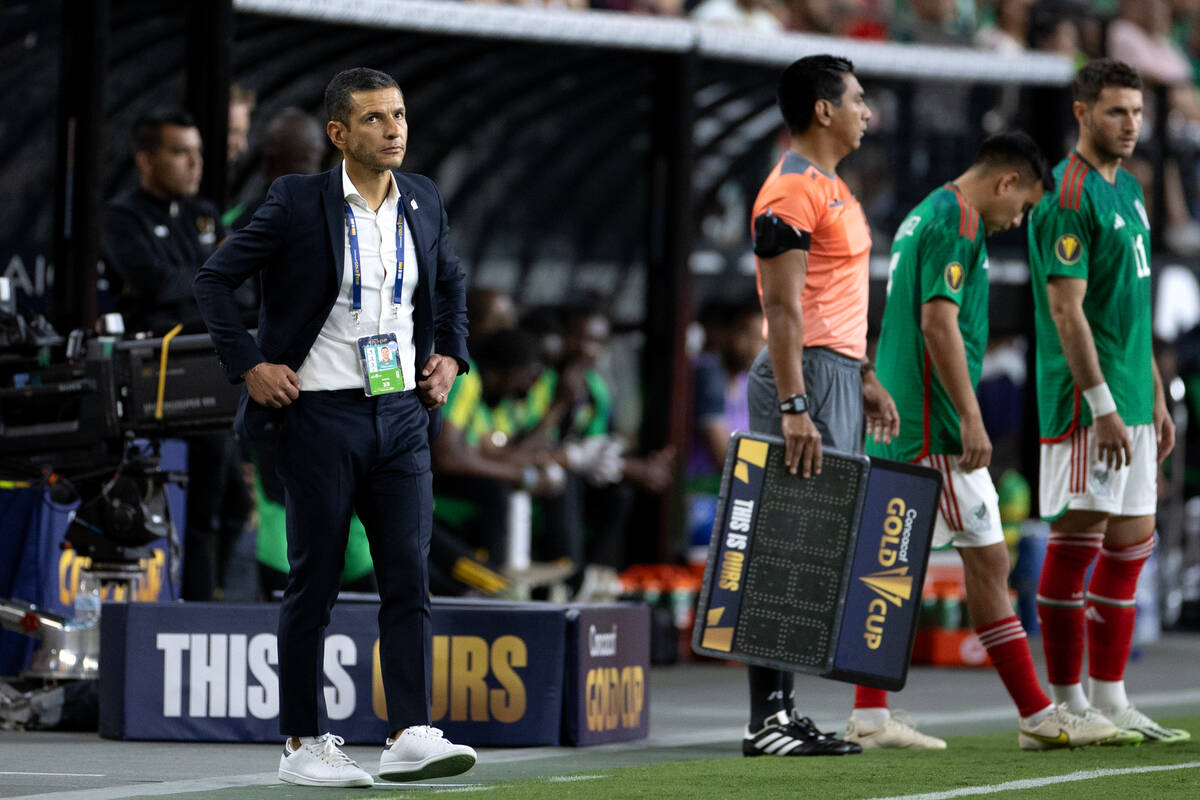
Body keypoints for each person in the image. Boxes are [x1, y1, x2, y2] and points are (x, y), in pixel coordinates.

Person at [193, 67, 476, 787]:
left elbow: (448, 282)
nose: (395, 129)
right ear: (339, 134)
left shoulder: (423, 199)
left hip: (401, 416)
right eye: (377, 119)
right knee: (313, 581)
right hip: (318, 416)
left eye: (401, 115)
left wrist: (451, 355)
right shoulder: (295, 201)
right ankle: (301, 743)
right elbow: (214, 281)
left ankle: (409, 730)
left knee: (408, 576)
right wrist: (249, 364)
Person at [865, 132, 1126, 751]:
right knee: (985, 561)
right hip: (938, 429)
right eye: (1027, 205)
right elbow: (937, 322)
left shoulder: (924, 211)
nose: (1022, 219)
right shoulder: (957, 221)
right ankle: (1038, 714)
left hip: (909, 416)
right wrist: (971, 416)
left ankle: (870, 714)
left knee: (892, 564)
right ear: (1007, 182)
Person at [1028, 58, 1191, 744]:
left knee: (1131, 546)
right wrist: (1099, 403)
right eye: (1116, 112)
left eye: (1137, 113)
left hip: (1130, 396)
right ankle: (1064, 705)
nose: (1129, 125)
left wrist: (1151, 393)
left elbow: (1133, 305)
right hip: (1085, 403)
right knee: (1077, 542)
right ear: (1082, 113)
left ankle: (1111, 698)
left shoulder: (1128, 192)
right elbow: (1068, 312)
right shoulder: (1069, 196)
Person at [741, 54, 899, 757]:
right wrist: (797, 404)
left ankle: (783, 712)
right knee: (786, 543)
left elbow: (835, 300)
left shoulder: (834, 188)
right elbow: (780, 307)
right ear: (824, 110)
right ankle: (766, 721)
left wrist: (863, 373)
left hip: (832, 373)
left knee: (815, 548)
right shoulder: (790, 190)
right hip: (800, 376)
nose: (868, 111)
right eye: (859, 99)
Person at [102, 110, 251, 603]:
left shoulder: (202, 212)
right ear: (146, 159)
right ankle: (188, 608)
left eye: (199, 152)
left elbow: (234, 285)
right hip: (161, 375)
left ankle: (208, 596)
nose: (194, 163)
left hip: (216, 367)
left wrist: (201, 279)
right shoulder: (122, 217)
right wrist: (213, 273)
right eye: (180, 152)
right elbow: (155, 283)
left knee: (231, 502)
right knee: (189, 505)